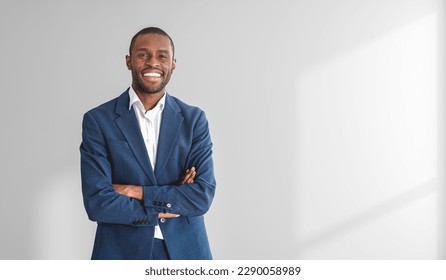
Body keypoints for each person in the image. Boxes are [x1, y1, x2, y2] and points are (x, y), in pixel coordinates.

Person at [80, 27, 216, 260]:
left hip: (186, 252)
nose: (152, 62)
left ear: (173, 63)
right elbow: (98, 203)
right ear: (129, 61)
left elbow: (201, 197)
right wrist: (169, 202)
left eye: (162, 56)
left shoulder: (194, 120)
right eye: (143, 55)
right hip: (120, 252)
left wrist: (134, 191)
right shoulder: (98, 120)